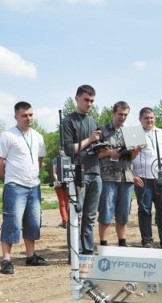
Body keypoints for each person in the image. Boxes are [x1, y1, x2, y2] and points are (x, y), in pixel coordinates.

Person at [0, 101, 47, 274]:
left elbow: (40, 160)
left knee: (33, 222)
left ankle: (30, 256)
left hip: (34, 185)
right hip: (15, 186)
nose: (28, 118)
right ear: (15, 116)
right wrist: (6, 177)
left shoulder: (38, 136)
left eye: (30, 114)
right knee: (12, 222)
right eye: (24, 115)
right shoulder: (7, 136)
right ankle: (6, 259)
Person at [62, 84, 106, 255]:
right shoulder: (68, 121)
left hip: (95, 171)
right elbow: (68, 149)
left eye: (92, 101)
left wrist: (101, 146)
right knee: (75, 215)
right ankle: (74, 251)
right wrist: (89, 139)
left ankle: (87, 250)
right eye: (86, 100)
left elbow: (93, 146)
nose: (89, 104)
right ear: (77, 98)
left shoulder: (93, 121)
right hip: (78, 173)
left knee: (90, 216)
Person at [97, 101, 142, 247]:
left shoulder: (131, 132)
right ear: (113, 113)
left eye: (125, 115)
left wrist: (136, 150)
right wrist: (110, 153)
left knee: (123, 213)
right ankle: (103, 244)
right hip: (108, 177)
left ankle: (122, 243)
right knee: (106, 211)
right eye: (120, 114)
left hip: (126, 177)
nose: (122, 117)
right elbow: (94, 154)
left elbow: (132, 157)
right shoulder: (102, 130)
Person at [132, 107, 162, 249]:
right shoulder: (134, 133)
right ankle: (147, 240)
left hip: (160, 177)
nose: (149, 120)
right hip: (142, 178)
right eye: (146, 118)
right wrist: (133, 175)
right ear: (140, 119)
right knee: (144, 210)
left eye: (151, 117)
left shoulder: (160, 133)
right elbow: (127, 157)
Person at [52, 153, 69, 229]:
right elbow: (54, 172)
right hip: (59, 184)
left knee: (68, 202)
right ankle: (65, 221)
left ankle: (68, 220)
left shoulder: (70, 158)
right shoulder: (56, 160)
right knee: (62, 203)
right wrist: (57, 180)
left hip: (68, 183)